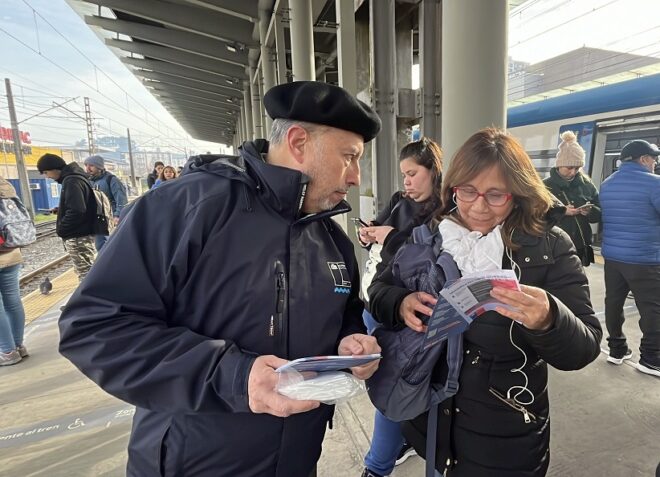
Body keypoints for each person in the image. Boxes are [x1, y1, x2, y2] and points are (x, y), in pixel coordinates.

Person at [58, 81, 382, 477]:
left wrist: (350, 341)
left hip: (296, 460)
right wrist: (234, 376)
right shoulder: (189, 208)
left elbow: (345, 312)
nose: (356, 177)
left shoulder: (331, 238)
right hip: (193, 462)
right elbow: (94, 326)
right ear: (298, 143)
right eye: (349, 157)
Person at [369, 127, 602, 477]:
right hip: (430, 421)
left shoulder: (550, 246)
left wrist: (550, 318)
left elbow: (585, 346)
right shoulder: (429, 235)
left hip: (504, 434)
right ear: (452, 189)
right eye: (467, 191)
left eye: (496, 195)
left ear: (517, 194)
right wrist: (400, 302)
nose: (478, 206)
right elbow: (378, 290)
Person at [358, 137, 443, 477]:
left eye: (413, 173)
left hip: (415, 315)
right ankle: (388, 456)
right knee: (392, 387)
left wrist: (392, 237)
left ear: (434, 172)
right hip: (379, 300)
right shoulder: (398, 201)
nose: (406, 182)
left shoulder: (444, 211)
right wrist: (370, 236)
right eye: (403, 174)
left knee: (396, 387)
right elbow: (383, 248)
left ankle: (377, 466)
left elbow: (425, 263)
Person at [600, 139, 660, 377]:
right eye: (653, 158)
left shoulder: (607, 184)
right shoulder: (654, 184)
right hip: (644, 258)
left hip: (613, 258)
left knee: (613, 302)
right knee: (652, 307)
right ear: (643, 159)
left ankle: (616, 349)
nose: (655, 163)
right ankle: (652, 358)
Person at [543, 131, 601, 266]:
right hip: (553, 246)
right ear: (559, 165)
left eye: (578, 168)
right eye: (569, 167)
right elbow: (534, 215)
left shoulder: (587, 185)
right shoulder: (544, 186)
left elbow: (599, 212)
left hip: (580, 245)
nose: (573, 172)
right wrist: (561, 212)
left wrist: (590, 212)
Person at [36, 153, 96, 282]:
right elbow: (79, 204)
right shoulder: (76, 178)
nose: (47, 177)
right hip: (83, 233)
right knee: (89, 271)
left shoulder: (71, 181)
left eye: (46, 173)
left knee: (85, 274)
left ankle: (91, 301)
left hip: (78, 235)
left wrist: (62, 228)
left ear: (54, 169)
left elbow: (77, 210)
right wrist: (61, 210)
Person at [0, 177, 28, 366]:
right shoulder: (6, 187)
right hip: (12, 250)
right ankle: (18, 346)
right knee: (12, 301)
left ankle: (7, 351)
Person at [83, 154, 128, 251]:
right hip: (96, 217)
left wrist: (117, 215)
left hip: (108, 216)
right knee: (101, 245)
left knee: (103, 244)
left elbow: (121, 199)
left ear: (99, 166)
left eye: (91, 165)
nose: (87, 168)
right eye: (86, 165)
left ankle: (107, 264)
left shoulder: (111, 180)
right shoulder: (89, 181)